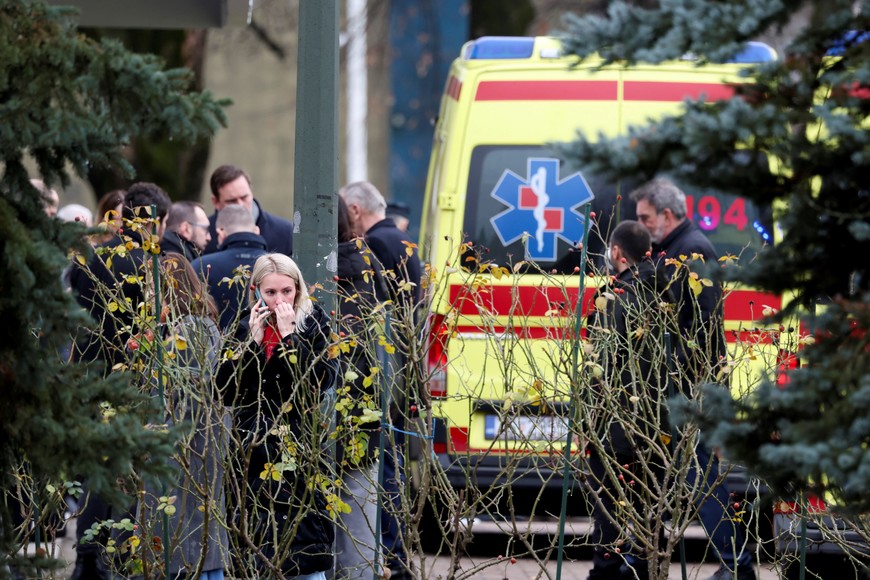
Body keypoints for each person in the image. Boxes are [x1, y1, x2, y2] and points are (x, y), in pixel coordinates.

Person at [630, 178, 755, 580]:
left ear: (667, 215)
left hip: (692, 388)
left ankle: (737, 566)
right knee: (664, 474)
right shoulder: (672, 249)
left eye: (645, 218)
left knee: (697, 477)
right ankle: (643, 558)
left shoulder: (692, 249)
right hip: (679, 385)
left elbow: (701, 327)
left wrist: (672, 372)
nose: (641, 226)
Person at [68, 182, 172, 580]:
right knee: (123, 474)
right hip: (129, 378)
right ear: (157, 221)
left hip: (91, 376)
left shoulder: (93, 258)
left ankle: (86, 558)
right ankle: (113, 558)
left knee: (97, 470)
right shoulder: (149, 264)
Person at [216, 253, 336, 579]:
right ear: (256, 291)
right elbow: (225, 391)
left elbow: (317, 385)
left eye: (287, 291)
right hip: (252, 450)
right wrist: (253, 345)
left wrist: (289, 339)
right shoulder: (243, 325)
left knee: (306, 552)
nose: (280, 299)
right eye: (271, 293)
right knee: (255, 551)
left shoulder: (314, 323)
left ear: (298, 288)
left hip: (299, 446)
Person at [339, 181, 422, 580]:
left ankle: (391, 559)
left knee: (383, 472)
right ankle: (394, 556)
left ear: (354, 209)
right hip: (398, 374)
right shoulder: (402, 240)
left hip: (382, 375)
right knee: (391, 469)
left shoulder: (377, 246)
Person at [584, 221, 674, 580]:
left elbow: (600, 366)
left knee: (608, 500)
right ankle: (647, 567)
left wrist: (589, 421)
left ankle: (605, 570)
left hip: (617, 421)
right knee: (651, 503)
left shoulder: (614, 300)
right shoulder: (666, 292)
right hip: (658, 423)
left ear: (618, 253)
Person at [136, 253, 229, 580]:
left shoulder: (189, 327)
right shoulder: (185, 324)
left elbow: (188, 390)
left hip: (188, 446)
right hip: (188, 444)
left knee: (188, 539)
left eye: (150, 286)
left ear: (168, 288)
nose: (146, 294)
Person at [334, 196, 384, 579]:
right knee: (360, 532)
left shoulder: (298, 276)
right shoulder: (372, 269)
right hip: (363, 418)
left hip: (312, 423)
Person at [191, 205, 268, 331]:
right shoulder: (276, 266)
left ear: (220, 232)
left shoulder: (201, 266)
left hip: (214, 347)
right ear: (256, 230)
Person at [202, 165, 293, 256]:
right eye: (232, 201)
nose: (240, 205)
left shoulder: (285, 232)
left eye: (244, 197)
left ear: (251, 192)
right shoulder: (203, 234)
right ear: (215, 202)